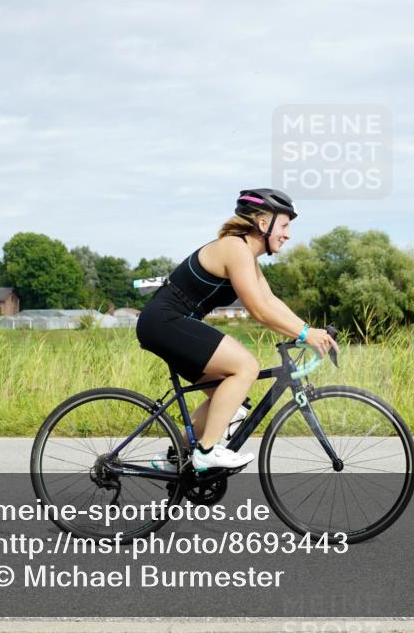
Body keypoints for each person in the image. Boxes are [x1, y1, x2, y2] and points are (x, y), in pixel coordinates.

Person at [135, 189, 340, 471]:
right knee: (246, 367)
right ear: (263, 223)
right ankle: (207, 452)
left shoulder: (247, 257)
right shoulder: (235, 248)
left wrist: (307, 329)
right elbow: (258, 310)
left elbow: (271, 301)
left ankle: (175, 458)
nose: (288, 234)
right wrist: (305, 336)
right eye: (284, 225)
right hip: (165, 321)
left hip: (170, 323)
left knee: (231, 401)